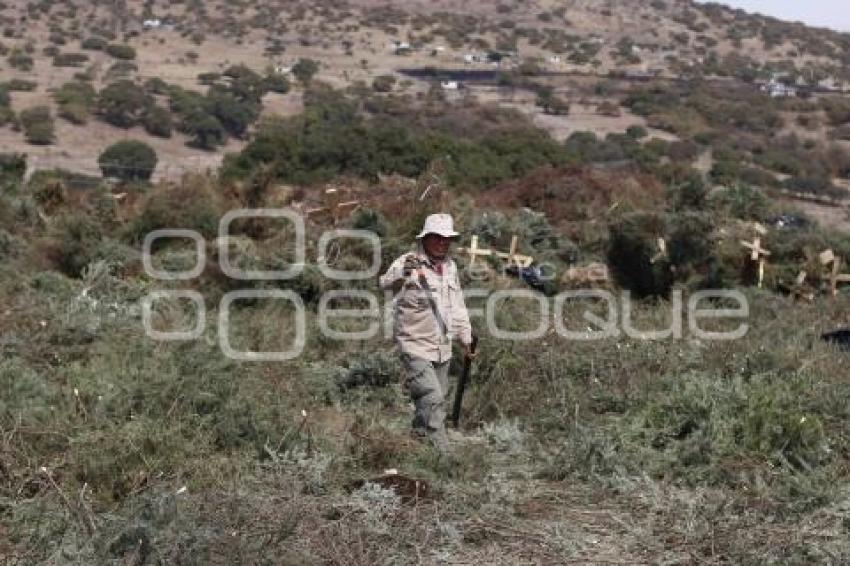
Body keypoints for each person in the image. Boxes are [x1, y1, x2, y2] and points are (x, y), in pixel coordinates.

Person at [379, 213, 474, 454]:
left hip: (443, 347)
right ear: (426, 238)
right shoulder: (407, 262)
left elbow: (457, 304)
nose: (442, 243)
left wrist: (466, 338)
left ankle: (415, 445)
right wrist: (403, 274)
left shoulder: (450, 266)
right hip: (415, 346)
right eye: (437, 238)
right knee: (433, 399)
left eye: (446, 239)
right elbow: (386, 284)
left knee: (431, 401)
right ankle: (445, 458)